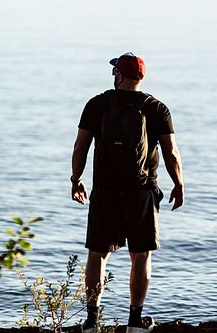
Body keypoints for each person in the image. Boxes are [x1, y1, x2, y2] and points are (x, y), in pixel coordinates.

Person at [70, 52, 185, 333]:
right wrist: (179, 183)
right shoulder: (156, 108)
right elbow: (170, 152)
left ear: (118, 75)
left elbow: (80, 147)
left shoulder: (97, 104)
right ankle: (135, 321)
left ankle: (92, 321)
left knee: (97, 253)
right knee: (141, 255)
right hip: (141, 191)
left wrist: (76, 179)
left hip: (105, 190)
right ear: (141, 77)